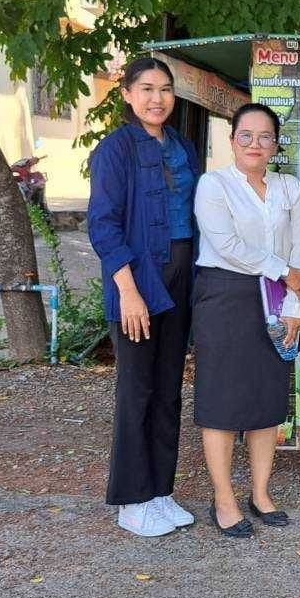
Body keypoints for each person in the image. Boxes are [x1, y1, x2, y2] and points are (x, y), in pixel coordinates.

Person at [88, 56, 201, 538]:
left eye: (166, 89)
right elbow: (103, 225)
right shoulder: (114, 150)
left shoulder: (182, 146)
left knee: (169, 388)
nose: (158, 98)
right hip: (139, 278)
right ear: (127, 95)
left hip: (182, 275)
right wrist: (129, 292)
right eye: (147, 89)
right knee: (138, 389)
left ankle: (160, 491)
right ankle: (133, 500)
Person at [192, 103, 300, 538]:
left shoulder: (288, 187)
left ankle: (260, 493)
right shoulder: (214, 184)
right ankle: (223, 499)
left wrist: (294, 308)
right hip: (225, 295)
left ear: (276, 144)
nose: (255, 144)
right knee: (221, 401)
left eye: (264, 137)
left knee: (266, 401)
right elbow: (225, 243)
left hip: (278, 298)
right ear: (232, 140)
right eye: (246, 135)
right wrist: (280, 270)